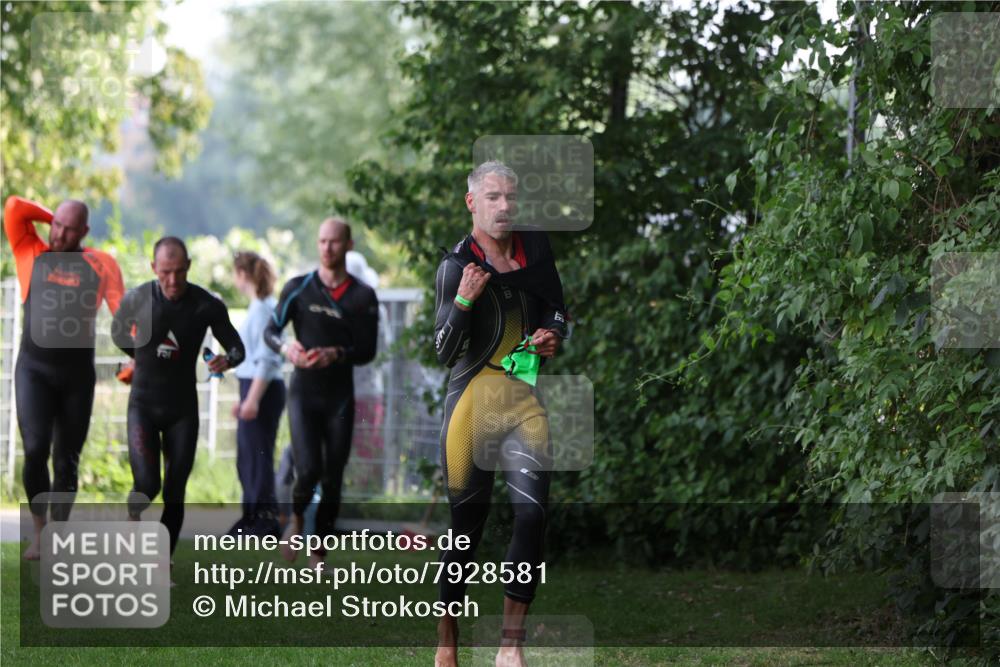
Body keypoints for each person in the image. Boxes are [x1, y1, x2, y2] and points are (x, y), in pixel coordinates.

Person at [432, 161, 569, 667]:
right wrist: (464, 301)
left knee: (532, 514)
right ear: (472, 203)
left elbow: (557, 310)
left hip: (522, 404)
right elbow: (444, 352)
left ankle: (511, 645)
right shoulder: (456, 265)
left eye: (510, 197)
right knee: (465, 532)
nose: (504, 206)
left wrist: (554, 334)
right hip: (469, 409)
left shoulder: (535, 249)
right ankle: (448, 641)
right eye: (493, 197)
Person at [4, 195, 124, 560]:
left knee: (66, 459)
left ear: (84, 231)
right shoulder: (31, 251)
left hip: (76, 377)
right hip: (34, 372)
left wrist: (136, 358)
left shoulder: (101, 264)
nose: (59, 234)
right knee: (36, 450)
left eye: (70, 228)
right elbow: (13, 207)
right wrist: (51, 214)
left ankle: (58, 532)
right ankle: (40, 533)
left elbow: (123, 318)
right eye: (57, 225)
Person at [111, 237, 245, 555]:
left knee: (174, 490)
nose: (172, 281)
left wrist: (227, 360)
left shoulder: (205, 305)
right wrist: (141, 357)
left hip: (182, 408)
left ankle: (163, 561)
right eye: (165, 272)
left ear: (189, 268)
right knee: (147, 486)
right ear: (153, 268)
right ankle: (133, 513)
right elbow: (117, 333)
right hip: (143, 405)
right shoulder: (138, 298)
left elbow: (238, 348)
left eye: (179, 272)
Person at [264, 218, 379, 567]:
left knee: (333, 476)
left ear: (349, 245)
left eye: (334, 242)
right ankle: (298, 523)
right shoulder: (299, 287)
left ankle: (319, 550)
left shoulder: (363, 295)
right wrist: (288, 350)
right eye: (322, 241)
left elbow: (368, 350)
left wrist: (337, 353)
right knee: (308, 469)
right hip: (303, 394)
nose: (327, 248)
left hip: (340, 397)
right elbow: (271, 331)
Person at [228, 251, 286, 537]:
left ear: (242, 274)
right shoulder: (258, 307)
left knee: (258, 457)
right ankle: (251, 518)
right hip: (253, 387)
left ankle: (264, 522)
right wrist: (244, 398)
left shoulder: (264, 309)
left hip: (262, 390)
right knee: (248, 458)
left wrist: (252, 399)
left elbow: (268, 358)